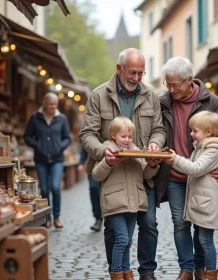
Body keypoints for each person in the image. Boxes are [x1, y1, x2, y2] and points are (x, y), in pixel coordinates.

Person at [78, 48, 166, 280]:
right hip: (111, 173)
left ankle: (147, 272)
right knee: (113, 229)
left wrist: (155, 146)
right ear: (119, 69)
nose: (136, 78)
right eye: (132, 72)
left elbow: (158, 130)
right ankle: (116, 271)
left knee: (148, 223)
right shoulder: (99, 95)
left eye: (141, 73)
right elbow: (87, 134)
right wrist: (104, 152)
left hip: (141, 172)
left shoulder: (151, 96)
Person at [153, 56, 218, 280]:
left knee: (201, 226)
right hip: (172, 175)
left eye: (175, 85)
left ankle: (202, 269)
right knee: (180, 224)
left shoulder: (212, 101)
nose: (171, 89)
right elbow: (157, 132)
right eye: (167, 84)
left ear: (189, 80)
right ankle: (186, 270)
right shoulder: (163, 101)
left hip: (201, 178)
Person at [165, 111, 218, 280]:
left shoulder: (213, 151)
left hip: (208, 205)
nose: (191, 134)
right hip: (203, 202)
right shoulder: (203, 147)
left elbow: (195, 168)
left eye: (195, 131)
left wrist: (175, 159)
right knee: (203, 238)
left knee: (205, 240)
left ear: (208, 132)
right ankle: (202, 272)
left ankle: (210, 275)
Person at [92, 117, 160, 280]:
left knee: (128, 240)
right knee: (122, 239)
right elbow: (96, 174)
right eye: (123, 136)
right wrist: (108, 163)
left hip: (134, 202)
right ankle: (116, 273)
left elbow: (146, 174)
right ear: (113, 135)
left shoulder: (135, 150)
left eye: (130, 136)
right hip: (115, 202)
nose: (127, 140)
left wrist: (152, 165)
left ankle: (126, 272)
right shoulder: (106, 149)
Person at [24, 92, 71, 228]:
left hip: (57, 159)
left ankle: (57, 217)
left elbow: (67, 138)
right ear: (44, 104)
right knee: (44, 189)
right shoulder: (35, 117)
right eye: (50, 104)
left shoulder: (61, 118)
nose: (53, 106)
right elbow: (27, 136)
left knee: (55, 187)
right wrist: (37, 145)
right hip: (41, 159)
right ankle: (47, 218)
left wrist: (60, 147)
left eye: (55, 104)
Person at [78, 149, 102, 231]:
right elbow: (85, 146)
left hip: (112, 164)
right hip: (93, 165)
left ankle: (111, 219)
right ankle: (98, 218)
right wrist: (81, 162)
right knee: (94, 188)